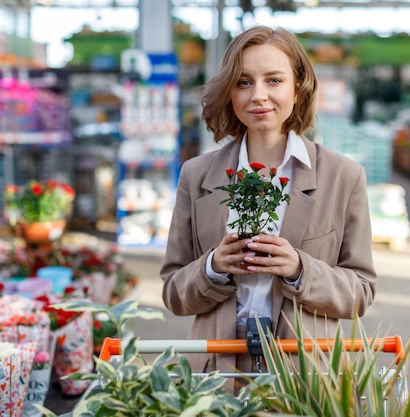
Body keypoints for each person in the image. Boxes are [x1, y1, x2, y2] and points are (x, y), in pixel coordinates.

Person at [160, 25, 377, 388]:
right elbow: (173, 293)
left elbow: (360, 294)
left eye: (273, 80)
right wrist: (213, 267)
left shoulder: (343, 177)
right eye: (244, 82)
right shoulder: (196, 175)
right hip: (216, 375)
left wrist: (298, 268)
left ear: (298, 87)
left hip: (303, 380)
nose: (259, 95)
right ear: (229, 92)